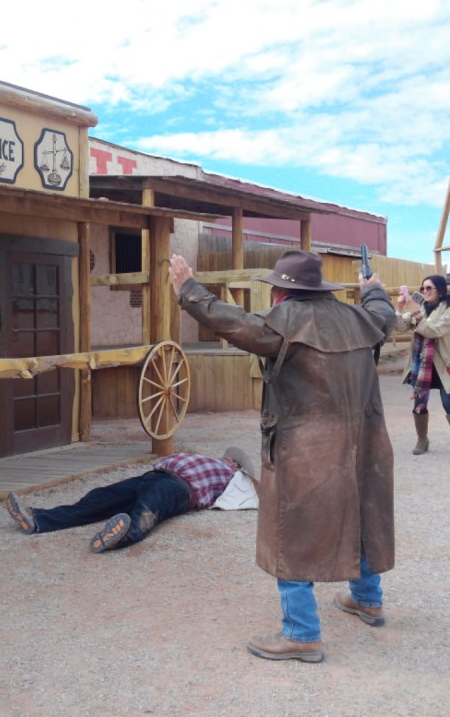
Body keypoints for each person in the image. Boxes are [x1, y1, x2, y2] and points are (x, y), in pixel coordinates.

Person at [168, 250, 396, 663]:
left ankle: (301, 633)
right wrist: (373, 289)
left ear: (281, 291)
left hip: (305, 450)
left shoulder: (283, 322)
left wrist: (189, 290)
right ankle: (368, 598)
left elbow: (233, 323)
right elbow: (383, 314)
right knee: (362, 513)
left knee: (291, 531)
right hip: (365, 441)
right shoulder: (360, 318)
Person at [6, 447, 257, 552]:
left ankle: (120, 537)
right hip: (153, 475)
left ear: (235, 465)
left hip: (181, 488)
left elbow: (251, 493)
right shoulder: (207, 459)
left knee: (147, 511)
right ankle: (38, 519)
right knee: (99, 498)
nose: (227, 460)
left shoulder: (234, 477)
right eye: (228, 458)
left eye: (231, 460)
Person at [395, 275, 450, 455]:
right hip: (422, 365)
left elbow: (434, 330)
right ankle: (422, 439)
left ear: (440, 290)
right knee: (420, 402)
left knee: (448, 403)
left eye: (429, 288)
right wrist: (400, 308)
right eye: (423, 288)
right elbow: (400, 327)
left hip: (444, 364)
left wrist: (416, 314)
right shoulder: (420, 307)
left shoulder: (448, 309)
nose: (424, 291)